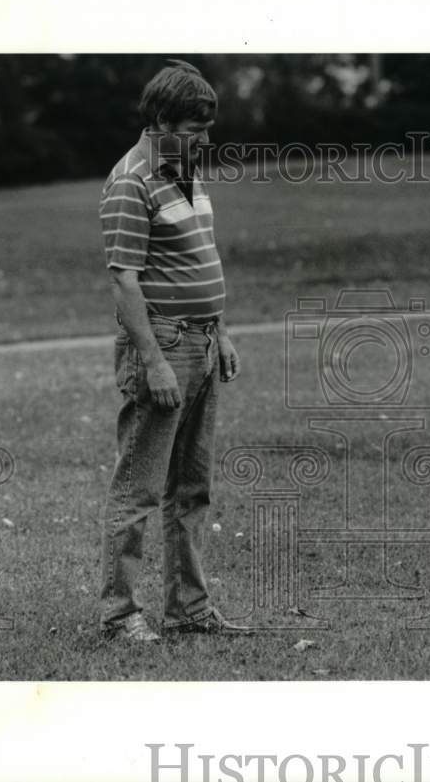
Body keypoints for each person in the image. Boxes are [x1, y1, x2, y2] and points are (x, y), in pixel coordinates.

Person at [98, 59, 247, 641]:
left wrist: (223, 331)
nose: (203, 141)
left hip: (203, 342)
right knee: (138, 487)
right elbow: (124, 281)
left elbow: (199, 257)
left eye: (207, 129)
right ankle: (119, 614)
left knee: (192, 486)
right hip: (164, 347)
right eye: (193, 129)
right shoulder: (130, 181)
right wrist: (155, 362)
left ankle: (189, 609)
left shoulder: (186, 170)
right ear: (160, 121)